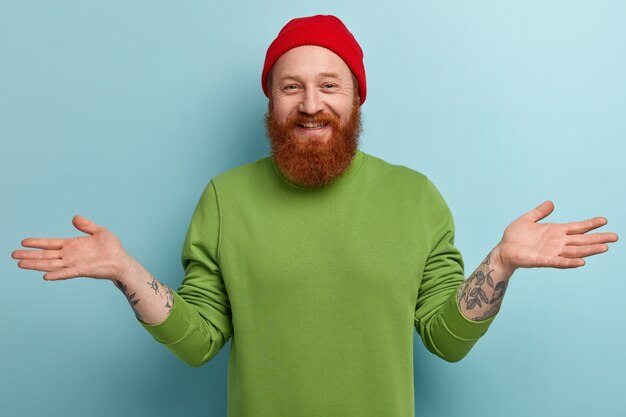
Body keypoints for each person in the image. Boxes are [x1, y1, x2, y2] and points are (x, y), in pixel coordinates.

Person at [12, 15, 618, 417]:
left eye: (329, 85)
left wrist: (501, 263)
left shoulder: (415, 197)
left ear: (355, 97)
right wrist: (125, 270)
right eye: (290, 86)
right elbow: (199, 341)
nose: (310, 105)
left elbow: (445, 339)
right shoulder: (226, 197)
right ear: (271, 99)